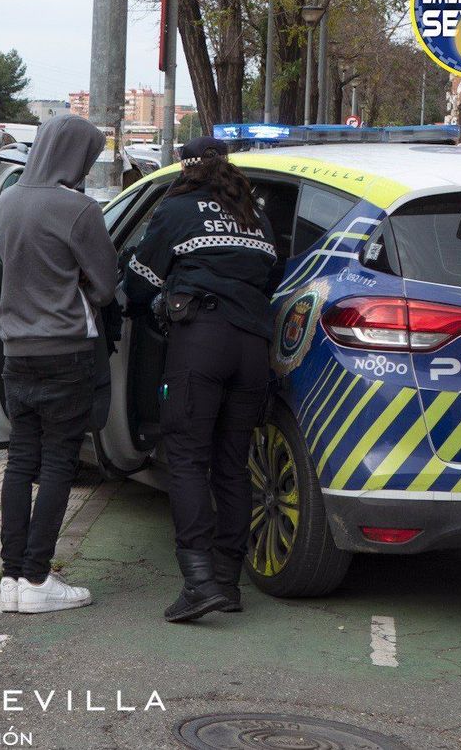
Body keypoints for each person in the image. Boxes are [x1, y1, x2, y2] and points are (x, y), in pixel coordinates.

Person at [124, 135, 281, 624]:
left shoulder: (177, 211)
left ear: (185, 169)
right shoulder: (255, 217)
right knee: (233, 465)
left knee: (188, 460)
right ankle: (227, 582)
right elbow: (270, 281)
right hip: (253, 348)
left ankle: (197, 584)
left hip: (201, 344)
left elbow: (138, 282)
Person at [0, 113, 116, 615]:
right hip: (66, 352)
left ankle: (12, 576)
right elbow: (105, 287)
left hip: (15, 353)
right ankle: (39, 577)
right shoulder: (79, 209)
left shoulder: (6, 201)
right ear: (74, 156)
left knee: (21, 461)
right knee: (60, 462)